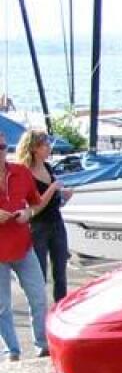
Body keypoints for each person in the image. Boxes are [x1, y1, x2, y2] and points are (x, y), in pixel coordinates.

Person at [0, 143, 55, 361]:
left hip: (23, 247)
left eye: (2, 146)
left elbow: (35, 204)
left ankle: (41, 345)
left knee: (38, 297)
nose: (0, 150)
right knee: (2, 306)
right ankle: (12, 350)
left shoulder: (20, 172)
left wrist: (27, 213)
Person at [16, 129, 72, 302]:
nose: (49, 148)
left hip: (56, 222)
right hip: (38, 227)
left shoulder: (47, 167)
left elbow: (52, 202)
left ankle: (60, 307)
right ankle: (40, 311)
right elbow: (35, 206)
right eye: (45, 145)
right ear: (34, 148)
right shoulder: (26, 172)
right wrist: (53, 188)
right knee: (39, 275)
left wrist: (63, 197)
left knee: (60, 273)